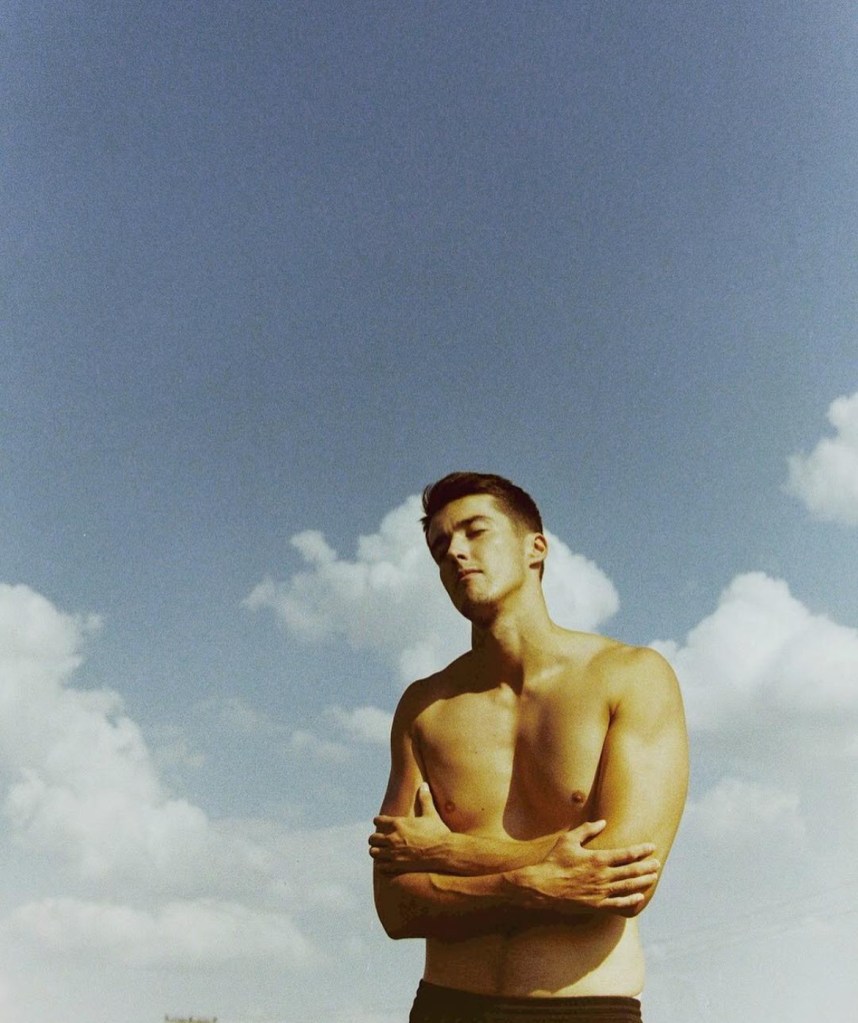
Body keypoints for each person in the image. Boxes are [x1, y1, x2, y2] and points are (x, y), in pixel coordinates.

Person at [369, 472, 689, 1023]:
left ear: (535, 547)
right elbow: (396, 909)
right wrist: (522, 885)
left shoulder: (630, 676)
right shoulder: (425, 707)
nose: (455, 553)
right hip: (447, 1006)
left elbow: (622, 881)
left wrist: (449, 853)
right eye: (440, 548)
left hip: (583, 1008)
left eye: (475, 531)